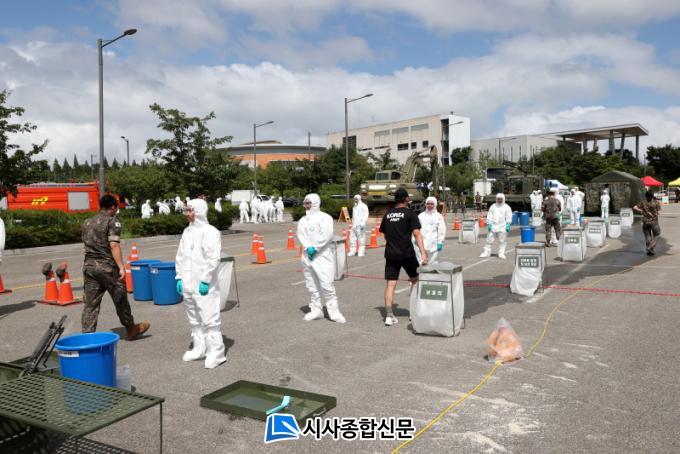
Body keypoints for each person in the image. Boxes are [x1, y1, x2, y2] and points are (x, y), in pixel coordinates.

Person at [81, 195, 150, 339]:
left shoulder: (87, 222)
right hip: (107, 268)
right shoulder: (112, 221)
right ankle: (131, 329)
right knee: (120, 298)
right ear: (113, 207)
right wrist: (121, 267)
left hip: (89, 267)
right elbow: (114, 245)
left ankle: (87, 337)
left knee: (91, 304)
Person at [175, 198, 227, 368]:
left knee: (210, 320)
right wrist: (179, 277)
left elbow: (213, 259)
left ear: (199, 211)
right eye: (187, 210)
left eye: (190, 210)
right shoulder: (187, 232)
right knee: (195, 320)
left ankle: (216, 353)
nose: (187, 214)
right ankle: (199, 349)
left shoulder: (210, 232)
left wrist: (205, 280)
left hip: (204, 285)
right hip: (188, 285)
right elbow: (180, 257)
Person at [380, 188, 428, 326]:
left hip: (391, 253)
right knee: (415, 280)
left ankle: (389, 316)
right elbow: (417, 234)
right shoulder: (410, 213)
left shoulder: (388, 214)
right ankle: (413, 312)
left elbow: (385, 235)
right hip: (407, 253)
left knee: (391, 284)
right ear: (406, 199)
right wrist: (423, 254)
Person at [297, 194, 346, 323]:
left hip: (322, 257)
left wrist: (316, 248)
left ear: (315, 203)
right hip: (307, 256)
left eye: (309, 203)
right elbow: (301, 235)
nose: (306, 206)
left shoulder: (325, 218)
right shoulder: (303, 220)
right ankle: (316, 311)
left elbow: (327, 235)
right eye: (305, 203)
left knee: (327, 285)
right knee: (312, 286)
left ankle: (334, 313)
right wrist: (308, 247)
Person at [480, 193, 513, 259]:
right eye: (498, 199)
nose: (499, 200)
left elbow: (509, 216)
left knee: (502, 240)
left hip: (502, 226)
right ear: (496, 199)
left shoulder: (506, 207)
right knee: (489, 239)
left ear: (503, 199)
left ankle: (501, 253)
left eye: (501, 199)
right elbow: (490, 215)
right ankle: (486, 252)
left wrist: (508, 224)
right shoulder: (493, 206)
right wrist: (489, 223)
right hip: (493, 225)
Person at [415, 196, 446, 264]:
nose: (429, 205)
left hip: (433, 246)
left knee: (433, 264)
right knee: (421, 264)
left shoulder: (438, 216)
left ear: (435, 204)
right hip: (421, 245)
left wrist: (440, 242)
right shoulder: (421, 216)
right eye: (428, 204)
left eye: (432, 204)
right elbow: (416, 230)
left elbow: (441, 230)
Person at [633, 191, 661, 256]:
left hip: (645, 221)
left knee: (647, 236)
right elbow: (659, 212)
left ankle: (650, 251)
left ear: (646, 196)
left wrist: (642, 211)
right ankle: (651, 247)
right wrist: (656, 212)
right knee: (657, 234)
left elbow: (634, 207)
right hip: (654, 222)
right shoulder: (656, 202)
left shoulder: (643, 202)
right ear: (652, 195)